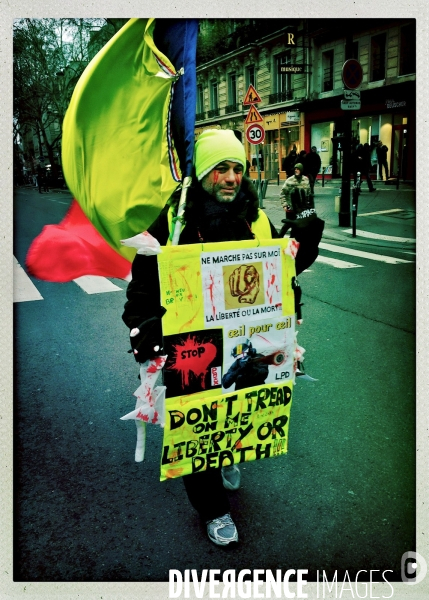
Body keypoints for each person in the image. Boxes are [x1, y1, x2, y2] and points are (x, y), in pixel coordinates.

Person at [122, 129, 279, 547]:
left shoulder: (256, 216)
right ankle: (213, 509)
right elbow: (141, 288)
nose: (231, 178)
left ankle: (228, 454)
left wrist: (304, 250)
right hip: (190, 345)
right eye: (220, 168)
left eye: (237, 168)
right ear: (203, 173)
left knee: (238, 411)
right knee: (197, 426)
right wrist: (146, 332)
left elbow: (279, 277)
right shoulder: (172, 223)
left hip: (245, 341)